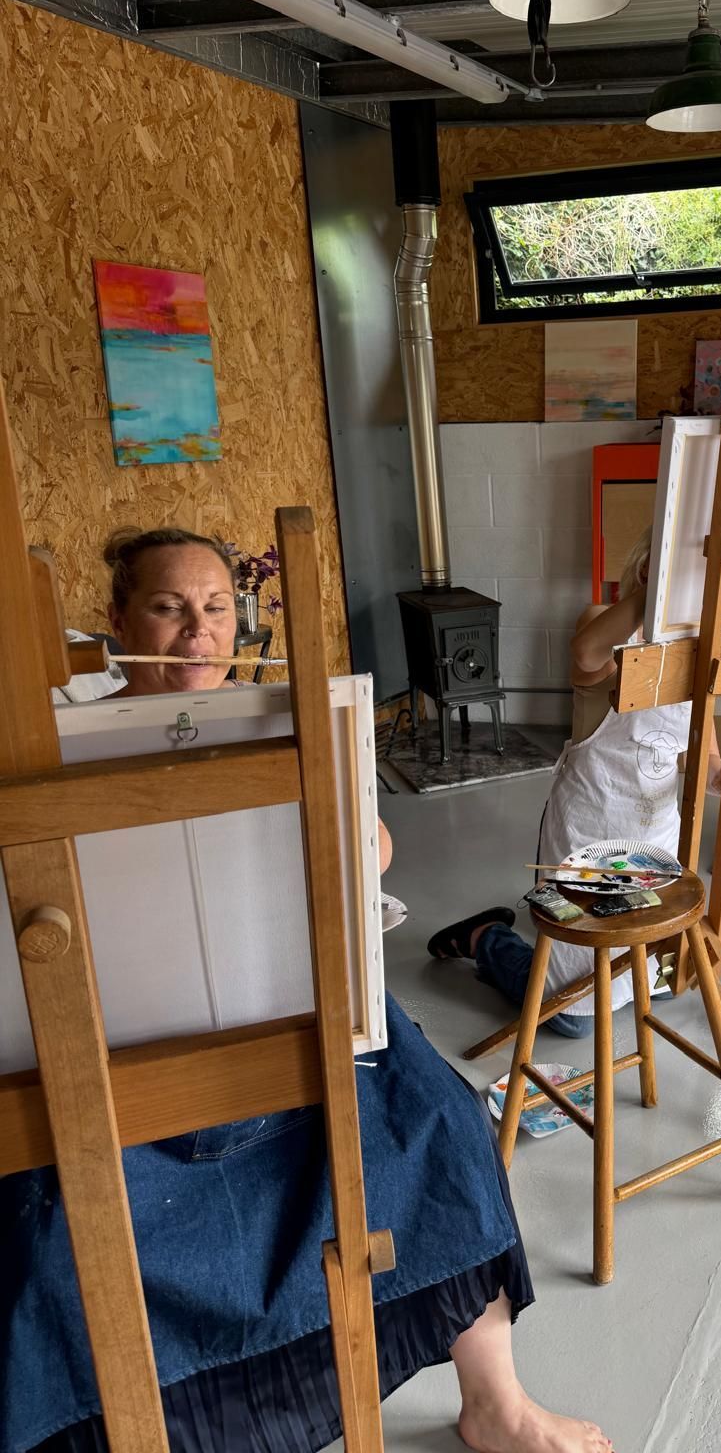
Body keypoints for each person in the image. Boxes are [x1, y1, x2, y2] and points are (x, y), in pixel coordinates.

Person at [0, 527, 612, 1453]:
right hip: (114, 1048)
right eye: (167, 608)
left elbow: (377, 848)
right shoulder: (59, 745)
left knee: (442, 1128)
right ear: (119, 620)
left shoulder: (278, 719)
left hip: (287, 1014)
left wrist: (351, 837)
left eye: (214, 608)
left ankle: (497, 1402)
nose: (195, 632)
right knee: (45, 1240)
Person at [428, 529, 721, 1034]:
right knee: (574, 1019)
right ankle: (487, 938)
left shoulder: (696, 648)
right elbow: (586, 654)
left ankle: (567, 952)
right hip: (587, 829)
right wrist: (656, 596)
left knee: (656, 978)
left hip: (652, 839)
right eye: (685, 581)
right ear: (648, 573)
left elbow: (702, 753)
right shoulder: (600, 623)